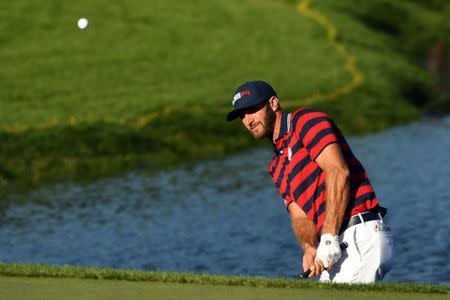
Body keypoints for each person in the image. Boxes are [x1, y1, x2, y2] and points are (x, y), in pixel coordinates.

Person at [226, 80, 394, 283]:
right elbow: (300, 215)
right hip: (333, 245)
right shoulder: (277, 165)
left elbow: (338, 172)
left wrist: (329, 235)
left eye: (252, 109)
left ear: (273, 103)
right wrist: (310, 248)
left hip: (359, 234)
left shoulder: (305, 122)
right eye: (242, 115)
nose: (247, 120)